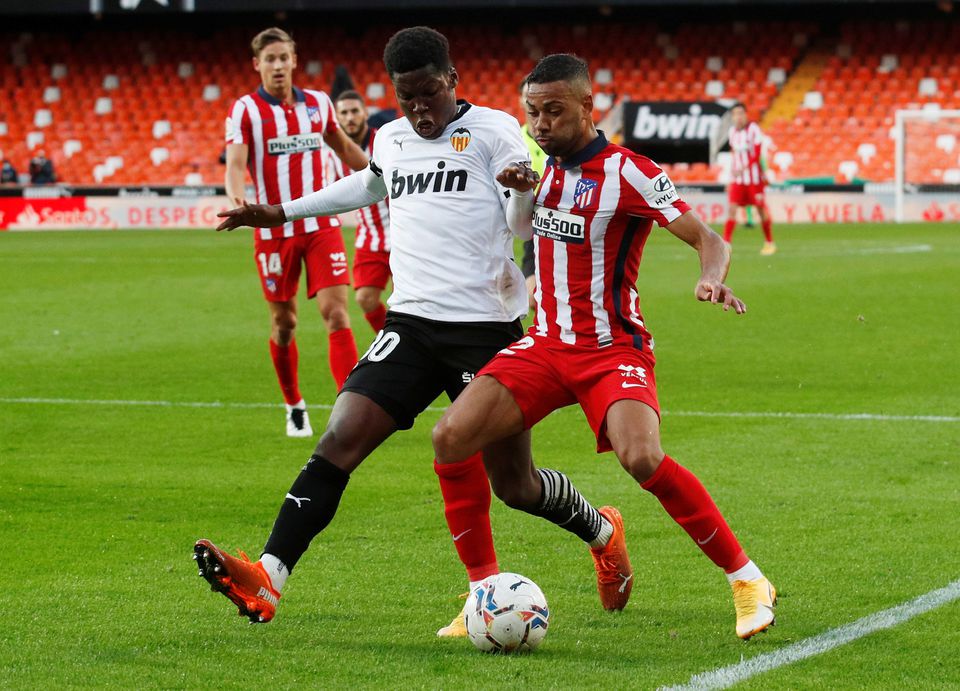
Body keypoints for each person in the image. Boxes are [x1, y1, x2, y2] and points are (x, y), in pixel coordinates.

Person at [431, 54, 777, 641]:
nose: (541, 125)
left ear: (589, 107)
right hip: (544, 345)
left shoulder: (630, 172)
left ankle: (747, 580)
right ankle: (481, 596)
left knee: (640, 457)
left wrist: (711, 275)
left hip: (612, 349)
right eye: (533, 113)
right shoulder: (541, 170)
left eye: (554, 112)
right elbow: (522, 228)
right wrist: (522, 189)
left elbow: (709, 238)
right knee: (450, 436)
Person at [222, 27, 368, 438]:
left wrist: (380, 176)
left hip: (321, 223)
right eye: (269, 59)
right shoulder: (246, 110)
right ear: (257, 65)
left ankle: (350, 412)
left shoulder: (319, 104)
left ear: (294, 60)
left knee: (336, 312)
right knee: (284, 323)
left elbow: (342, 147)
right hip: (273, 230)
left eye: (284, 58)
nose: (278, 66)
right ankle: (293, 403)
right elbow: (235, 163)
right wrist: (238, 201)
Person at [326, 89, 392, 333]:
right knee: (365, 298)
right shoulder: (334, 154)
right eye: (344, 113)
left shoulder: (385, 141)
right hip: (370, 237)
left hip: (403, 233)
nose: (350, 117)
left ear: (365, 113)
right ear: (338, 118)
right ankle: (390, 340)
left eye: (355, 111)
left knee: (406, 303)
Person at [724, 103, 776, 255]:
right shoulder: (732, 132)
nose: (738, 117)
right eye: (735, 114)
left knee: (760, 209)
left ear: (746, 114)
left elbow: (757, 154)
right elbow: (734, 153)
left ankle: (769, 242)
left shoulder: (754, 129)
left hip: (753, 178)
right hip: (738, 179)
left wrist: (745, 168)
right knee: (732, 208)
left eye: (741, 113)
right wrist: (731, 174)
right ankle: (726, 244)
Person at [517, 78, 548, 312]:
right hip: (528, 223)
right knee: (533, 298)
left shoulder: (561, 140)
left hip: (558, 219)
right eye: (528, 94)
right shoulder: (513, 141)